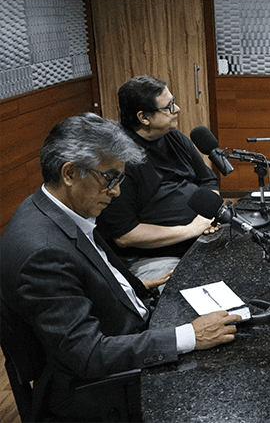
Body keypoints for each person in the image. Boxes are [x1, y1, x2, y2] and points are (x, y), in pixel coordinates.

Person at [0, 113, 239, 422]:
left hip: (127, 339)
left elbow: (85, 278)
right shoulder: (42, 253)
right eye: (110, 179)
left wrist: (136, 287)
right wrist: (190, 336)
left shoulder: (51, 210)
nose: (116, 192)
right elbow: (88, 354)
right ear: (70, 173)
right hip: (101, 393)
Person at [95, 75, 220, 280]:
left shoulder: (172, 135)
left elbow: (208, 180)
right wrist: (190, 229)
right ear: (144, 118)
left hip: (200, 235)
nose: (177, 109)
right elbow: (125, 235)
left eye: (174, 101)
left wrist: (207, 216)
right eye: (169, 106)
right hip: (155, 257)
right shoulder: (118, 158)